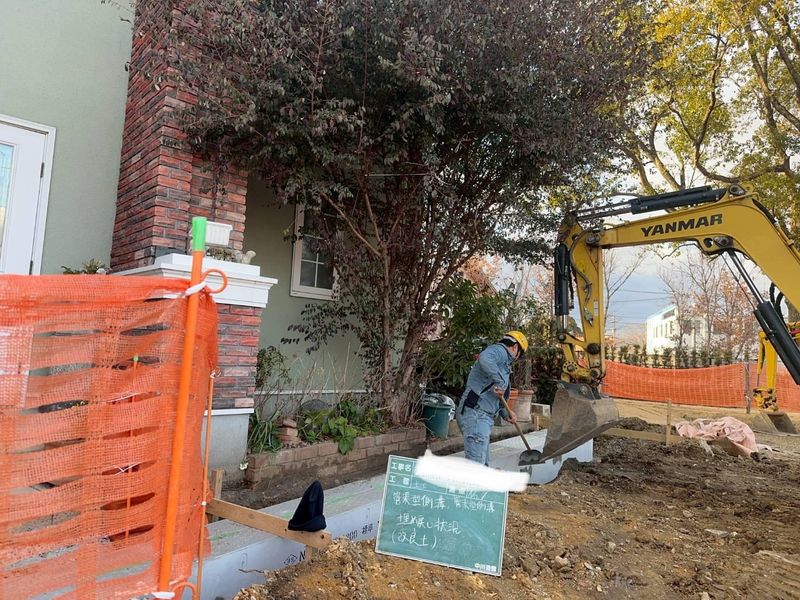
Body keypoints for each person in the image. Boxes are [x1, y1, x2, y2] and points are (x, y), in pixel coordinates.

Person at [456, 330, 529, 466]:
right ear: (515, 347)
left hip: (480, 416)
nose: (517, 358)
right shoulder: (501, 351)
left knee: (483, 464)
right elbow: (484, 358)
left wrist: (506, 413)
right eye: (520, 354)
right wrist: (500, 381)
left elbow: (495, 396)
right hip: (476, 414)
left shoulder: (503, 364)